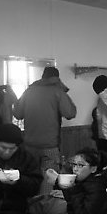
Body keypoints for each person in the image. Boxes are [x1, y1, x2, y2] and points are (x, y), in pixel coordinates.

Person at [13, 66, 77, 195]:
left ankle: (29, 207)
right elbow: (70, 113)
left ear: (42, 77)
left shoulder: (29, 91)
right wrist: (63, 91)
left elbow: (18, 113)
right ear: (57, 78)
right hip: (50, 146)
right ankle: (44, 209)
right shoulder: (57, 91)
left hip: (29, 145)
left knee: (29, 178)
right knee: (48, 180)